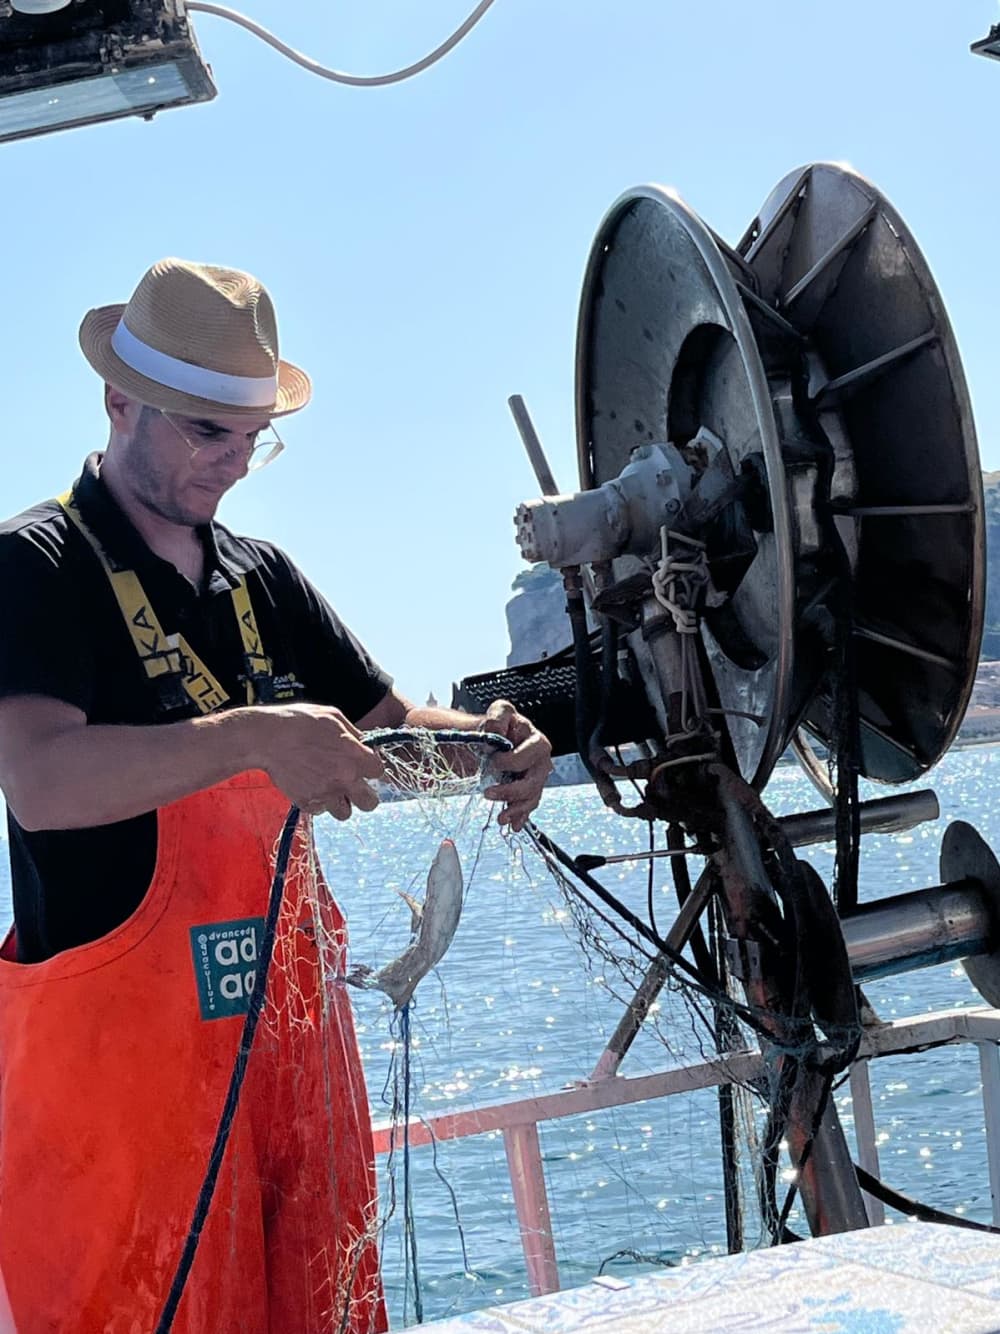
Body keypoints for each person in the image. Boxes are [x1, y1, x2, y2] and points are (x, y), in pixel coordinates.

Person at [0, 258, 553, 1333]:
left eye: (254, 436)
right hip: (118, 1109)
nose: (237, 464)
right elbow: (41, 776)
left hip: (288, 1072)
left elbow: (385, 735)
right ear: (120, 400)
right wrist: (252, 734)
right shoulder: (37, 564)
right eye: (210, 432)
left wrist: (491, 751)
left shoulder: (265, 578)